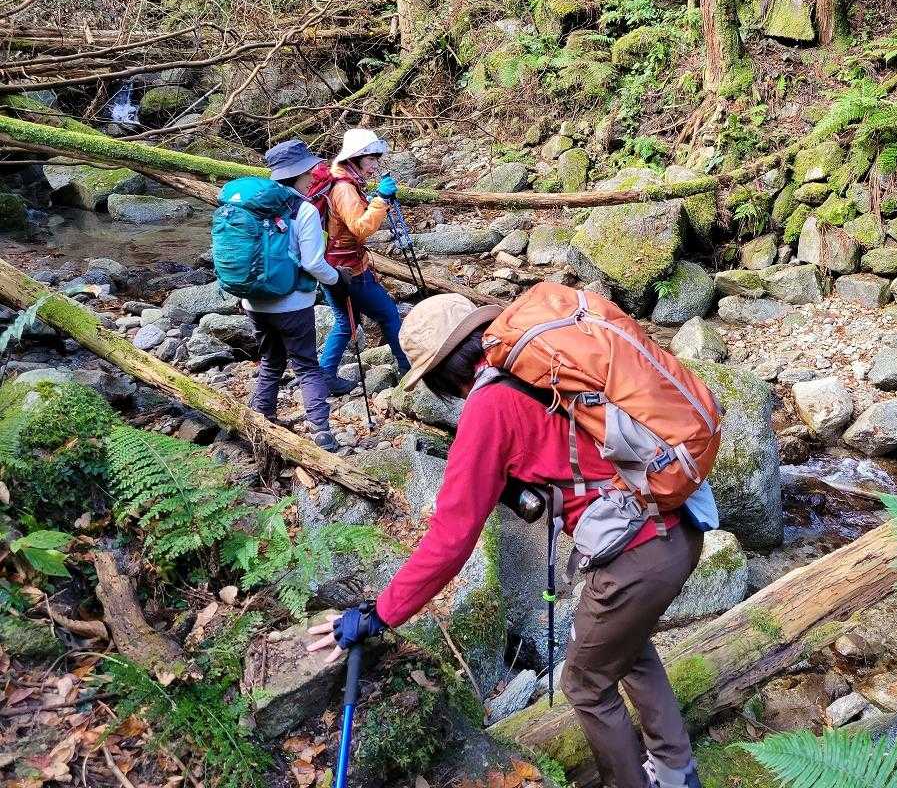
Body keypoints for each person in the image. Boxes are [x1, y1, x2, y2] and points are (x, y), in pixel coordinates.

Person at [307, 294, 706, 788]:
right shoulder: (544, 370)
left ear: (438, 375)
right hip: (678, 521)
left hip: (638, 557)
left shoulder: (488, 407)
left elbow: (450, 541)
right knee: (624, 647)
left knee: (585, 684)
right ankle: (675, 771)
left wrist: (379, 614)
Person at [242, 139, 343, 453]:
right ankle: (321, 431)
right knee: (306, 365)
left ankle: (262, 420)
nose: (313, 175)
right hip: (293, 303)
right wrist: (338, 279)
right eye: (308, 170)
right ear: (298, 173)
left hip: (254, 301)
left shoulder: (250, 204)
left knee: (271, 361)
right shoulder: (304, 210)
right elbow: (313, 263)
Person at [313, 127, 411, 394]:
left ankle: (325, 376)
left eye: (376, 159)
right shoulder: (344, 188)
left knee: (346, 322)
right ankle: (408, 369)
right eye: (370, 159)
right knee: (388, 314)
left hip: (330, 266)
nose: (374, 165)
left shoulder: (339, 178)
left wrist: (373, 200)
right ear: (353, 159)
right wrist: (380, 201)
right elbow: (360, 227)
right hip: (349, 271)